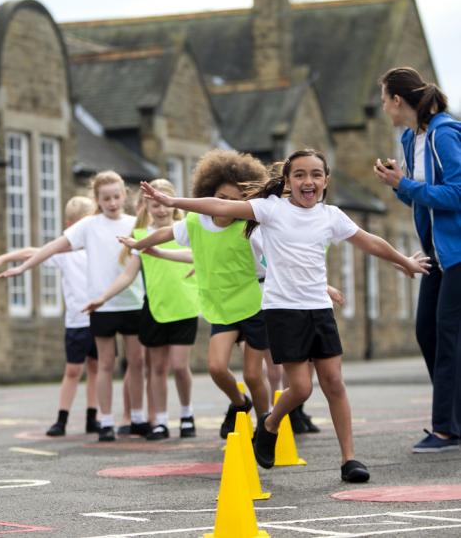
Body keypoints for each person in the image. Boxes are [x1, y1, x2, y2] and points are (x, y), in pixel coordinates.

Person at [140, 148, 430, 482]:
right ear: (288, 181)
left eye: (316, 175)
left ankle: (349, 460)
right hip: (283, 310)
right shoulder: (271, 210)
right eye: (300, 175)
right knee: (302, 389)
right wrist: (174, 202)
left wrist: (404, 261)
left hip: (318, 310)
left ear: (325, 180)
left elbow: (369, 241)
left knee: (334, 382)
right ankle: (270, 422)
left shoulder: (331, 216)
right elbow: (221, 206)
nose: (309, 181)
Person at [119, 150, 272, 440]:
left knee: (253, 375)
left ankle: (265, 428)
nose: (225, 206)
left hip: (254, 303)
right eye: (221, 198)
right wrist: (139, 245)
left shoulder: (251, 231)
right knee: (216, 367)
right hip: (221, 306)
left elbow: (276, 264)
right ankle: (240, 404)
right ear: (207, 195)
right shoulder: (195, 223)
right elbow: (165, 235)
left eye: (235, 202)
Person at [0, 171, 147, 443]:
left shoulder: (136, 223)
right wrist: (22, 267)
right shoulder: (88, 226)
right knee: (104, 365)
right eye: (106, 198)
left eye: (116, 196)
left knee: (136, 362)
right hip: (100, 306)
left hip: (133, 303)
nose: (112, 202)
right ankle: (106, 422)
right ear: (97, 200)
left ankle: (137, 418)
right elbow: (53, 247)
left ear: (124, 195)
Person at [375, 66, 461, 452]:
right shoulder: (411, 138)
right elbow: (420, 199)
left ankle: (445, 429)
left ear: (398, 99)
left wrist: (405, 184)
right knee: (426, 331)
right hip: (437, 254)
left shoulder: (445, 134)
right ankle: (453, 418)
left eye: (384, 100)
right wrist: (399, 186)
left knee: (446, 335)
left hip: (458, 252)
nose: (383, 108)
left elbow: (456, 194)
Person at [85, 179, 199, 440]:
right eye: (153, 205)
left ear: (172, 203)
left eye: (162, 204)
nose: (159, 210)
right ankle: (159, 420)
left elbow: (202, 258)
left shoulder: (187, 230)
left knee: (180, 366)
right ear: (145, 206)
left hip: (184, 307)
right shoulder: (141, 237)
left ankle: (186, 414)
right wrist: (102, 298)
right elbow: (127, 276)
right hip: (155, 309)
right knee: (156, 369)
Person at [0, 196, 100, 436]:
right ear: (70, 226)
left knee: (97, 370)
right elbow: (31, 253)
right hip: (77, 322)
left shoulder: (99, 249)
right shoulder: (64, 253)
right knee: (73, 371)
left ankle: (92, 417)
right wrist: (5, 258)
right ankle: (62, 419)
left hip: (100, 319)